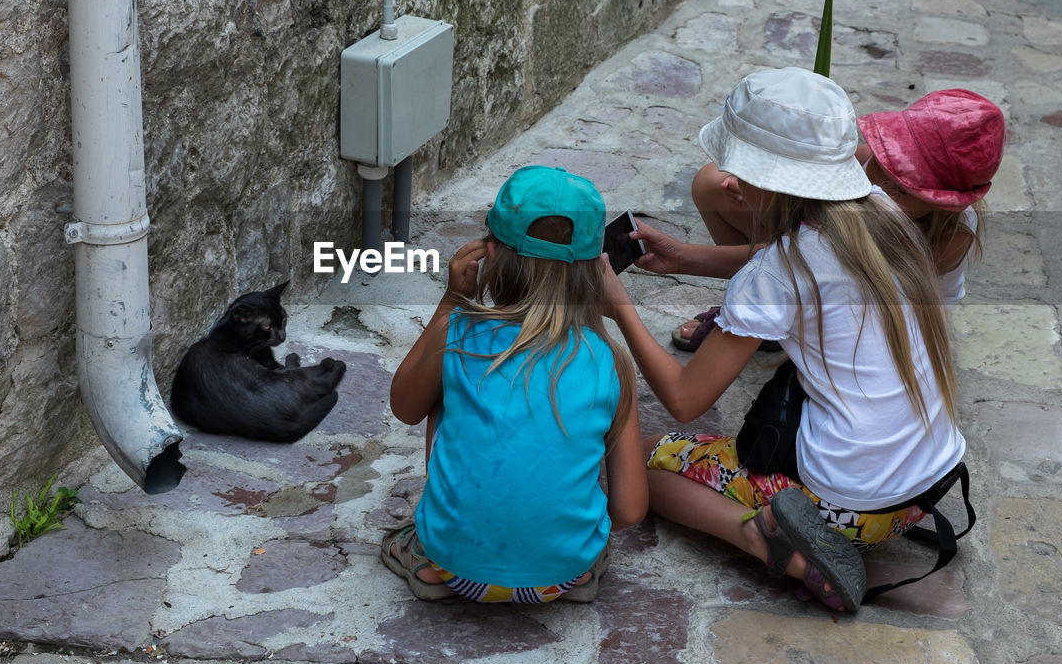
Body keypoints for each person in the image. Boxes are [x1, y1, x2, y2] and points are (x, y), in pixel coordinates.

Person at [603, 67, 967, 612]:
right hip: (925, 488)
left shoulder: (775, 274)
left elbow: (683, 400)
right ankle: (833, 526)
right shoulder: (886, 214)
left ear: (763, 177)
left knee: (640, 468)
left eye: (738, 167)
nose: (728, 179)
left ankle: (766, 538)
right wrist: (686, 257)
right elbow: (802, 265)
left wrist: (618, 308)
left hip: (845, 502)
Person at [382, 165, 648, 603]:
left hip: (456, 569)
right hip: (561, 576)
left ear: (491, 252)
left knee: (446, 391)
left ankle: (433, 564)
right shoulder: (611, 361)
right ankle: (576, 569)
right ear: (594, 270)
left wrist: (451, 302)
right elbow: (630, 508)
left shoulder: (460, 333)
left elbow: (405, 407)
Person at [658, 88, 1005, 351]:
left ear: (944, 206)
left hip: (877, 317)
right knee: (712, 183)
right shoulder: (863, 160)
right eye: (888, 161)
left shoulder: (951, 238)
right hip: (826, 268)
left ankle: (774, 321)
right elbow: (798, 233)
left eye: (902, 188)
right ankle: (764, 311)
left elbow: (797, 259)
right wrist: (755, 190)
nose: (882, 186)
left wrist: (685, 258)